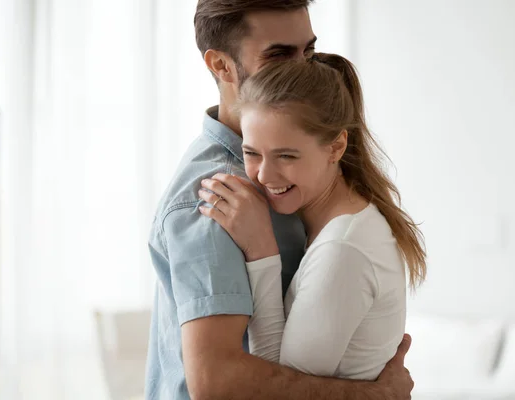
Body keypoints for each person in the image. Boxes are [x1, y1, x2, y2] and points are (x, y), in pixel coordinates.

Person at [145, 1, 416, 399]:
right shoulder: (216, 198)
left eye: (307, 51)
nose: (303, 69)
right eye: (279, 55)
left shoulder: (306, 183)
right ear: (222, 66)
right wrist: (374, 395)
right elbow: (216, 382)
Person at [198, 52, 427, 381]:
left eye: (286, 156)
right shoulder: (338, 226)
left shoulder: (343, 249)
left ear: (336, 147)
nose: (264, 175)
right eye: (251, 153)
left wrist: (260, 249)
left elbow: (282, 387)